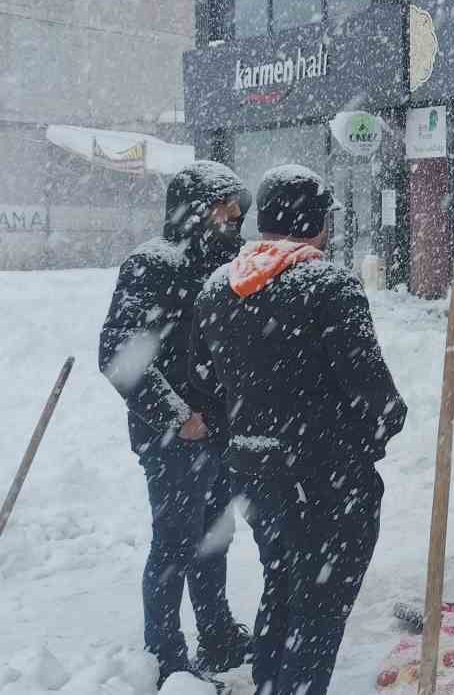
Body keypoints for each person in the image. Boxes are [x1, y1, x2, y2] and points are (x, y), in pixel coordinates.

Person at [188, 164, 407, 695]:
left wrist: (241, 443)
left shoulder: (219, 288)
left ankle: (270, 685)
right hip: (326, 476)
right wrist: (371, 437)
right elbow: (373, 392)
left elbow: (203, 389)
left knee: (282, 585)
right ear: (313, 220)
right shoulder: (328, 284)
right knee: (320, 606)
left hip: (254, 471)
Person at [98, 161, 255, 689]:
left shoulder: (231, 264)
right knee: (173, 544)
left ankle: (216, 634)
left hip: (221, 431)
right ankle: (165, 655)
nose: (231, 220)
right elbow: (120, 354)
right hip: (172, 436)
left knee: (214, 537)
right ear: (194, 209)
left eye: (236, 212)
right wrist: (177, 416)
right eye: (222, 209)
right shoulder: (151, 265)